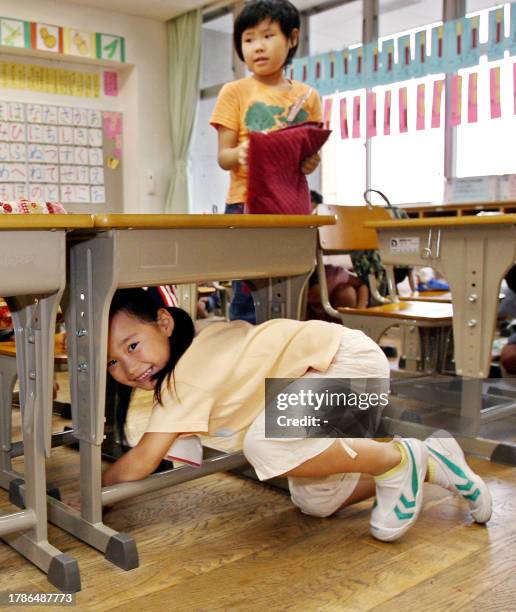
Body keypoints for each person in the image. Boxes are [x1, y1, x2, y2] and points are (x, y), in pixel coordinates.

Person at [102, 288, 492, 542]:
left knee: (267, 446)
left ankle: (397, 460)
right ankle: (430, 461)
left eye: (133, 345)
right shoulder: (195, 349)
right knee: (317, 501)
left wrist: (92, 495)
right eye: (113, 362)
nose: (129, 367)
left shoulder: (186, 377)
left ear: (164, 323)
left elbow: (143, 461)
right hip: (330, 379)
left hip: (348, 365)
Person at [210, 0, 323, 324]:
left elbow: (307, 157)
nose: (257, 47)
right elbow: (223, 157)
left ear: (292, 38)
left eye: (268, 35)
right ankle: (246, 365)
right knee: (247, 294)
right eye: (248, 39)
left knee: (290, 290)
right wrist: (242, 153)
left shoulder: (307, 97)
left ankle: (283, 363)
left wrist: (309, 162)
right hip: (246, 205)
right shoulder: (234, 91)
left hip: (292, 208)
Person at [307, 191, 369, 320]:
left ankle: (348, 324)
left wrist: (360, 311)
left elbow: (362, 285)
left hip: (333, 307)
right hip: (310, 311)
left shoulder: (334, 274)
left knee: (347, 292)